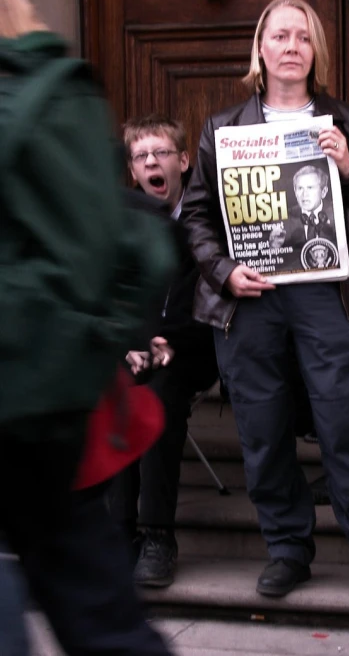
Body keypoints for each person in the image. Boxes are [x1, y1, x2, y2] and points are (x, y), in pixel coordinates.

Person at [182, 0, 349, 609]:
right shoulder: (222, 129)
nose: (292, 46)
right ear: (260, 50)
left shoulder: (346, 119)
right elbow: (197, 219)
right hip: (250, 300)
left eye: (304, 37)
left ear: (315, 52)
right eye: (281, 36)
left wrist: (347, 166)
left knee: (345, 424)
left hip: (322, 294)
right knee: (263, 431)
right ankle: (288, 549)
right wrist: (223, 270)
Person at [0, 0, 173, 655]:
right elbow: (142, 244)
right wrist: (99, 337)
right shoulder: (66, 94)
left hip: (26, 382)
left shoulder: (26, 102)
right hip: (54, 400)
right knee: (95, 599)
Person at [109, 114, 218, 588]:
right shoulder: (120, 227)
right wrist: (131, 343)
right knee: (115, 387)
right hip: (137, 346)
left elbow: (215, 297)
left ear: (184, 161)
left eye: (162, 153)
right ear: (132, 171)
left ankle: (158, 535)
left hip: (197, 344)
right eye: (141, 156)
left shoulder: (209, 219)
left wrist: (167, 342)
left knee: (158, 391)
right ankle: (118, 534)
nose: (152, 162)